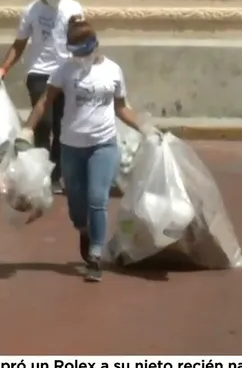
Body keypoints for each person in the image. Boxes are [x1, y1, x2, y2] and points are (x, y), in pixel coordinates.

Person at [15, 15, 158, 282]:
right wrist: (27, 129)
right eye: (75, 52)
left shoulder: (112, 71)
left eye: (84, 51)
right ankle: (83, 229)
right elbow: (46, 101)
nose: (81, 57)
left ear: (95, 45)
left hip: (103, 144)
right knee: (77, 204)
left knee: (98, 199)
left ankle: (95, 254)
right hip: (71, 146)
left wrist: (145, 127)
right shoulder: (65, 70)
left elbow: (121, 107)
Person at [0, 0, 84, 194]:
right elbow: (19, 44)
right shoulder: (32, 11)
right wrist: (2, 69)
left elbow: (82, 37)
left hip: (67, 72)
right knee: (44, 122)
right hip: (39, 72)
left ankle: (57, 175)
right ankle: (42, 173)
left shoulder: (73, 9)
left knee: (62, 126)